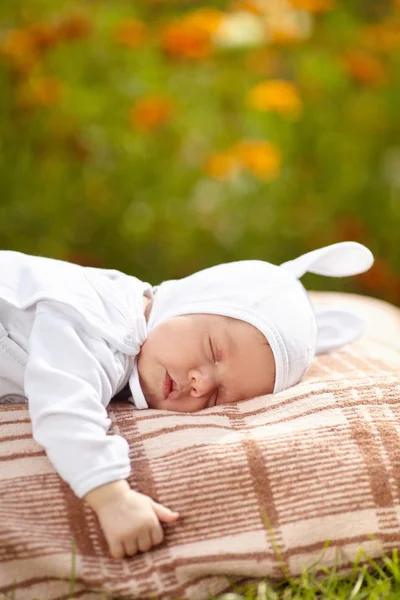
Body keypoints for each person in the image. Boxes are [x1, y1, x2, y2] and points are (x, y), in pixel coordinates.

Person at [0, 241, 373, 559]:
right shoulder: (100, 323)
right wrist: (111, 495)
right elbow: (63, 405)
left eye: (218, 396)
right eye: (212, 349)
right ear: (190, 298)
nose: (200, 382)